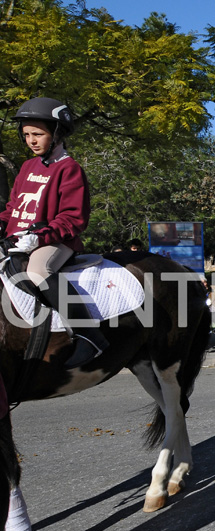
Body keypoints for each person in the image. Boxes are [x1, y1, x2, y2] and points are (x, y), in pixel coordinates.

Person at [0, 97, 108, 368]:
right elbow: (14, 208)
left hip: (57, 241)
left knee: (38, 271)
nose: (31, 141)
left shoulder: (69, 168)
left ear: (57, 133)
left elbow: (74, 219)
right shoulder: (27, 167)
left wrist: (39, 237)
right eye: (26, 135)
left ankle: (88, 334)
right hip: (20, 240)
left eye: (38, 134)